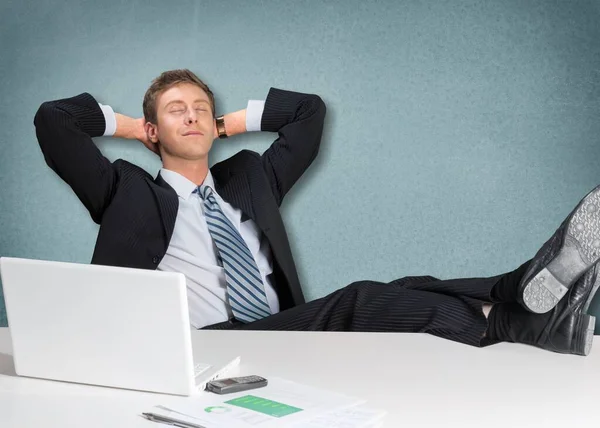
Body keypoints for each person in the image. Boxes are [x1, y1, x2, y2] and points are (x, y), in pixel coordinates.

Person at [33, 68, 600, 357]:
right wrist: (138, 130)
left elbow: (308, 112)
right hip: (207, 345)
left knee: (407, 286)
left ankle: (520, 295)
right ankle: (508, 319)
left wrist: (221, 123)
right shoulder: (124, 191)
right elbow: (53, 122)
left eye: (202, 109)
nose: (194, 117)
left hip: (278, 332)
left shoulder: (247, 178)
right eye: (177, 111)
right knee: (359, 298)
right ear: (154, 128)